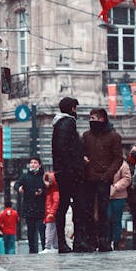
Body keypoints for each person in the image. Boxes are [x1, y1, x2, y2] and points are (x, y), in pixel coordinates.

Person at [81, 107, 123, 252]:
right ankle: (91, 239)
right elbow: (82, 152)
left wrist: (108, 175)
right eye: (90, 118)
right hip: (89, 179)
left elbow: (118, 158)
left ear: (102, 119)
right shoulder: (86, 136)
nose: (91, 121)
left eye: (93, 118)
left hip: (104, 179)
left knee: (104, 211)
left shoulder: (113, 137)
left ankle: (104, 239)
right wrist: (84, 160)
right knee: (88, 210)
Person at [51, 96, 87, 253]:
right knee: (76, 205)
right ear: (72, 108)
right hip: (70, 172)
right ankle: (75, 241)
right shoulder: (68, 123)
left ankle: (66, 242)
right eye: (75, 108)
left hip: (64, 171)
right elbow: (64, 148)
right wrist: (75, 165)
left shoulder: (59, 124)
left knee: (65, 204)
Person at [15, 156, 46, 253]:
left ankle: (45, 248)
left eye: (35, 163)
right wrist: (19, 188)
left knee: (42, 230)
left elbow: (48, 188)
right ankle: (32, 250)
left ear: (39, 165)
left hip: (41, 208)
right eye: (31, 163)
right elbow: (17, 184)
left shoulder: (43, 176)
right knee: (31, 231)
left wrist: (42, 192)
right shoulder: (25, 176)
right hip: (29, 207)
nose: (33, 164)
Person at [108, 155, 131, 249]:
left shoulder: (123, 164)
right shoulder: (102, 161)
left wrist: (115, 187)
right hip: (105, 196)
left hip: (119, 196)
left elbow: (127, 178)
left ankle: (116, 241)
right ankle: (107, 239)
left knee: (117, 220)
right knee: (107, 218)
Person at [42, 170, 59, 252]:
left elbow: (55, 202)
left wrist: (51, 212)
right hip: (50, 214)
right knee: (53, 231)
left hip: (50, 215)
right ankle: (55, 246)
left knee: (49, 230)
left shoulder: (53, 192)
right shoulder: (52, 191)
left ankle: (48, 246)